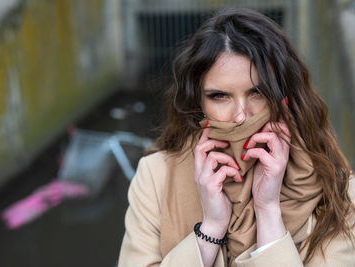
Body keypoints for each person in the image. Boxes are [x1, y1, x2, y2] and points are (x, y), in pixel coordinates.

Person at [118, 7, 355, 266]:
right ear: (198, 103)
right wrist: (210, 229)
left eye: (258, 92)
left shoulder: (341, 192)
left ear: (285, 96)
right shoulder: (155, 177)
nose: (241, 116)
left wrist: (268, 212)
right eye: (219, 96)